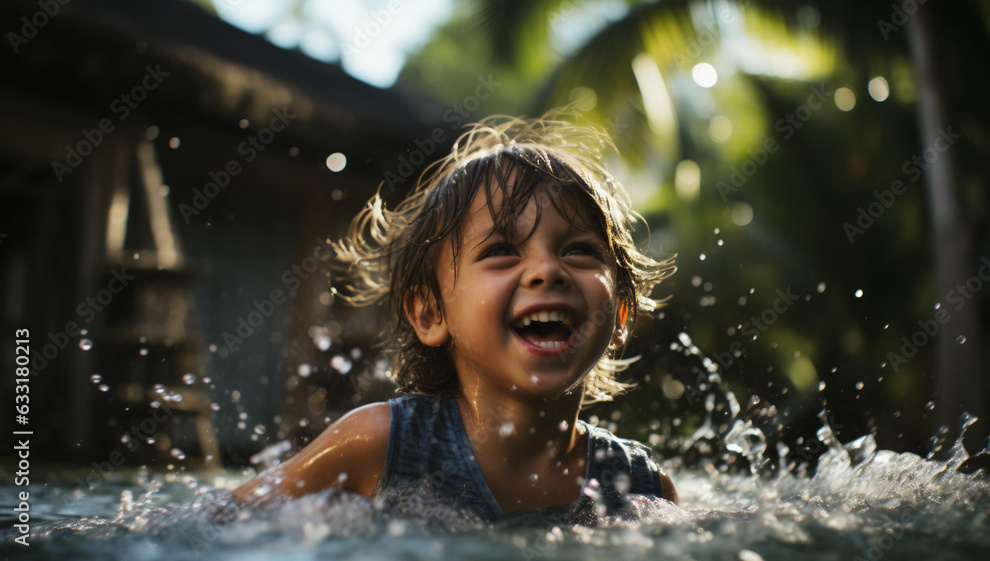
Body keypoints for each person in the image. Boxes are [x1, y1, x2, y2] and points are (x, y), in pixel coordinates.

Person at [233, 115, 678, 523]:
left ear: (620, 313)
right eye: (502, 251)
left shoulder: (640, 486)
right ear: (430, 313)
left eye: (578, 250)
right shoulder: (379, 445)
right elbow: (221, 522)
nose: (547, 270)